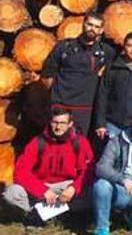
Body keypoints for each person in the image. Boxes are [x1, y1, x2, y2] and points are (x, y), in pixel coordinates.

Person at [2, 108, 94, 228]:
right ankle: (53, 212)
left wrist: (73, 188)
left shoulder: (80, 142)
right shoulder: (38, 142)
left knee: (92, 192)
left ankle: (42, 213)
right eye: (55, 122)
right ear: (49, 122)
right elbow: (21, 172)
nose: (58, 127)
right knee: (11, 192)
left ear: (70, 124)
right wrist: (42, 190)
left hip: (65, 187)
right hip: (42, 188)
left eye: (62, 123)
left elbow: (88, 171)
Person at [41, 12, 115, 141]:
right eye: (89, 24)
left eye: (97, 27)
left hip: (84, 108)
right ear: (83, 25)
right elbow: (47, 74)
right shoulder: (64, 47)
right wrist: (56, 96)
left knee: (78, 145)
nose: (92, 29)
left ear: (101, 31)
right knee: (53, 143)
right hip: (60, 105)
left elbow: (125, 60)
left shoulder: (105, 52)